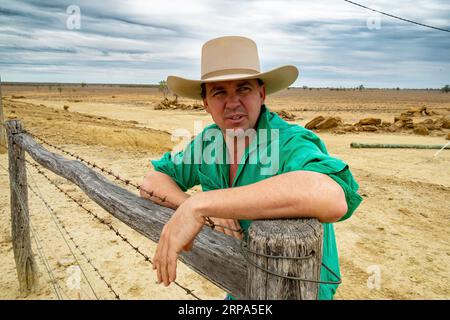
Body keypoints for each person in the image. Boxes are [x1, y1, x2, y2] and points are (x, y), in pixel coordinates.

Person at [140, 36, 362, 300]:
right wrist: (190, 205)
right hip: (240, 282)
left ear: (262, 94)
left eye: (243, 89)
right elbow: (152, 182)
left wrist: (204, 204)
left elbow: (331, 197)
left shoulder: (290, 141)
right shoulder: (209, 142)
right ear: (206, 104)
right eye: (219, 92)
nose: (232, 102)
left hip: (302, 290)